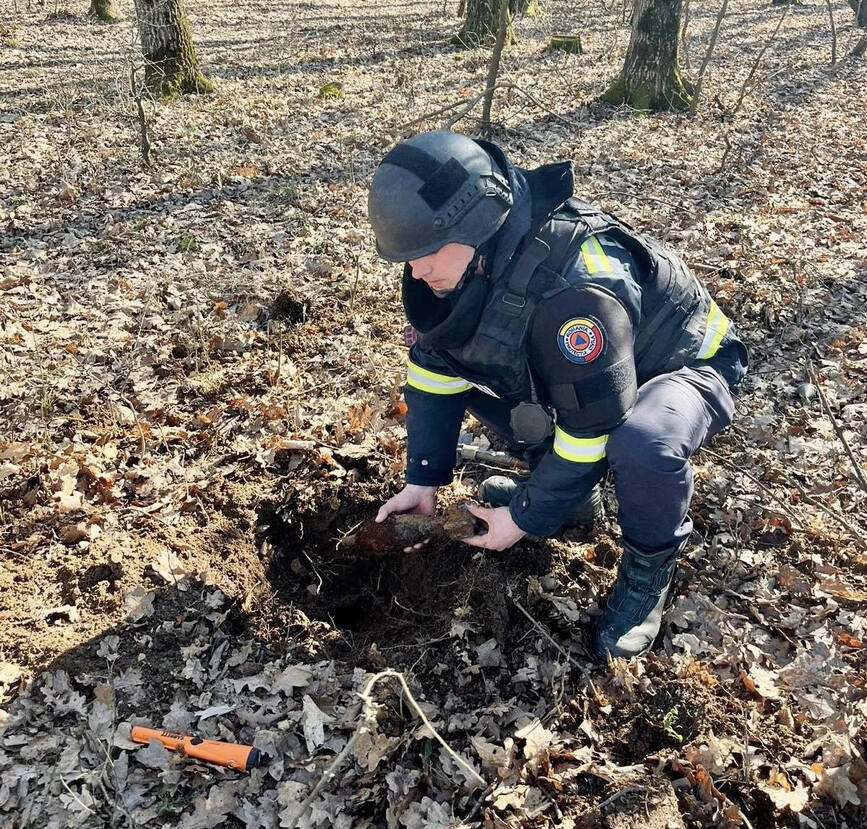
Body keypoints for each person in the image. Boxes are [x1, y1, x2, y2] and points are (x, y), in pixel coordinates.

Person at [367, 131, 748, 661]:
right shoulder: (465, 265)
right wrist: (423, 478)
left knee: (643, 442)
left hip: (682, 364)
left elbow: (592, 428)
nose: (416, 270)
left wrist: (525, 517)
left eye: (425, 254)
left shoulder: (577, 292)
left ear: (476, 227)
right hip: (591, 375)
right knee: (484, 373)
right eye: (407, 259)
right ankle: (572, 504)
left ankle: (647, 571)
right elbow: (436, 369)